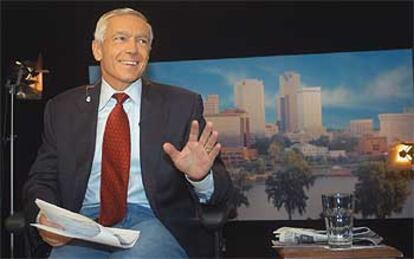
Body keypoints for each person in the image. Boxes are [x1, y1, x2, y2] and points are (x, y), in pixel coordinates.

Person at [23, 7, 234, 258]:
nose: (133, 49)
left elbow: (224, 191)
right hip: (82, 223)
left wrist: (200, 178)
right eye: (121, 38)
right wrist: (45, 216)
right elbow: (41, 180)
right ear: (97, 49)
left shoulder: (182, 106)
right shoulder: (62, 109)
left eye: (142, 41)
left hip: (154, 221)